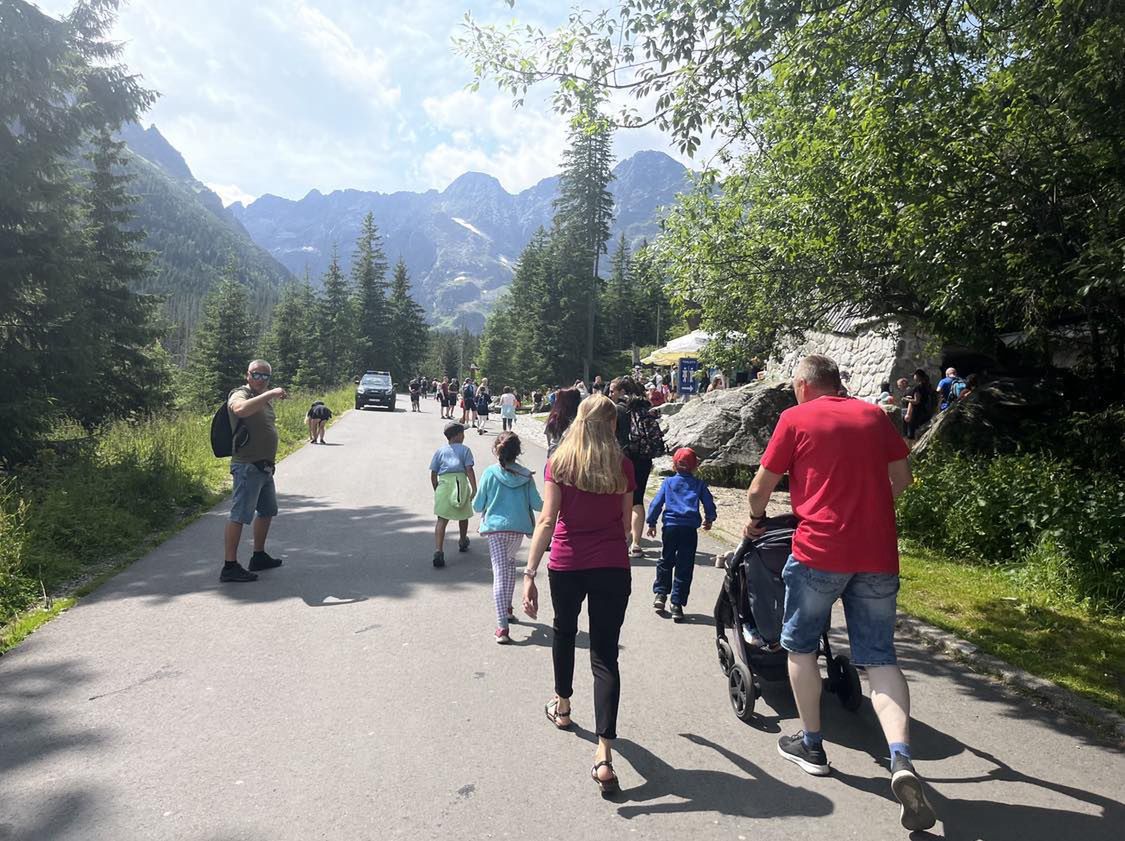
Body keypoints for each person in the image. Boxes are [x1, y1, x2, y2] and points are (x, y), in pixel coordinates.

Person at [743, 354, 935, 832]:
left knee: (800, 645)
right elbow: (904, 480)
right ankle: (901, 759)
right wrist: (868, 509)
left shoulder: (796, 418)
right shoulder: (875, 415)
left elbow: (757, 490)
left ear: (805, 386)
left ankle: (811, 745)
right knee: (881, 658)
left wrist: (756, 520)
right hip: (876, 553)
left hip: (818, 552)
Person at [521, 394, 635, 795]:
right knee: (605, 656)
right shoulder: (623, 466)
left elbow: (547, 519)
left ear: (579, 421)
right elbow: (625, 526)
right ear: (612, 426)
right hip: (611, 566)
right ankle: (604, 755)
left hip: (567, 565)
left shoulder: (560, 463)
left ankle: (563, 707)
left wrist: (530, 572)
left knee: (564, 633)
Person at [473, 432, 543, 644]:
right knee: (509, 568)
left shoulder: (489, 473)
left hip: (495, 529)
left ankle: (502, 626)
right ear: (518, 451)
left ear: (497, 450)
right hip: (518, 529)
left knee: (499, 575)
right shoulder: (525, 476)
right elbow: (537, 504)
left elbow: (477, 505)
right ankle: (507, 608)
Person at [222, 360, 287, 583]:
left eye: (265, 376)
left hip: (264, 467)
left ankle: (258, 556)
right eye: (256, 375)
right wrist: (270, 394)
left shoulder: (263, 398)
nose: (260, 379)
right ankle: (229, 566)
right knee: (239, 515)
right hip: (247, 466)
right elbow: (239, 410)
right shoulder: (240, 394)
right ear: (247, 375)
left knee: (268, 511)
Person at [645, 447, 716, 622]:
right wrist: (709, 518)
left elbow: (656, 503)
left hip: (670, 527)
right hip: (689, 529)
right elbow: (708, 503)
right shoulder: (699, 485)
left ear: (674, 465)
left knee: (665, 559)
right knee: (685, 564)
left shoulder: (668, 483)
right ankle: (677, 603)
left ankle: (661, 594)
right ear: (695, 467)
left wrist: (652, 521)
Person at [609, 376, 663, 558]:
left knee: (618, 497)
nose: (610, 394)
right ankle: (637, 544)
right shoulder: (645, 407)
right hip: (643, 458)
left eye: (613, 390)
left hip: (623, 458)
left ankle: (621, 538)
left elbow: (611, 436)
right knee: (637, 499)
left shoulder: (618, 410)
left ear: (622, 391)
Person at [429, 422, 477, 568]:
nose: (464, 435)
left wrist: (437, 488)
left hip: (444, 484)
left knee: (441, 519)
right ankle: (462, 540)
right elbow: (469, 470)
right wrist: (474, 488)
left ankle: (438, 550)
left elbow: (433, 473)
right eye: (463, 433)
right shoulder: (465, 450)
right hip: (460, 484)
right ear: (458, 435)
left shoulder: (440, 451)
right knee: (463, 514)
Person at [544, 387, 581, 458]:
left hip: (555, 458)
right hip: (569, 459)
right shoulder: (580, 420)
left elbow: (550, 442)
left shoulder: (553, 419)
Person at [903, 368, 934, 440]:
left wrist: (907, 399)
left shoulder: (918, 388)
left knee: (912, 433)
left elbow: (916, 401)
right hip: (927, 412)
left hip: (917, 413)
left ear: (917, 376)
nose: (913, 377)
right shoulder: (928, 387)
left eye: (914, 375)